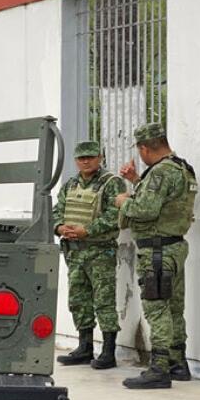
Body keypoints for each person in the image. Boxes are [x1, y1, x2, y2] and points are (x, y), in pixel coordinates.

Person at [114, 123, 197, 389]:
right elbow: (166, 201)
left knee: (156, 307)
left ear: (145, 147)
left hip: (157, 251)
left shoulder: (160, 172)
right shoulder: (182, 168)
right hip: (174, 247)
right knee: (173, 307)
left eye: (140, 150)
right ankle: (177, 363)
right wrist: (138, 181)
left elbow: (146, 209)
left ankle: (159, 369)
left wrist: (123, 201)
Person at [53, 140, 126, 369]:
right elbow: (57, 211)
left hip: (99, 252)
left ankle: (108, 351)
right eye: (81, 158)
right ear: (76, 160)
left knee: (104, 301)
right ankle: (85, 348)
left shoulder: (112, 183)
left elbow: (115, 215)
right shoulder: (70, 185)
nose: (85, 161)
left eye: (90, 157)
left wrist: (88, 230)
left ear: (100, 158)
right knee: (78, 301)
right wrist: (59, 227)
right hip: (75, 253)